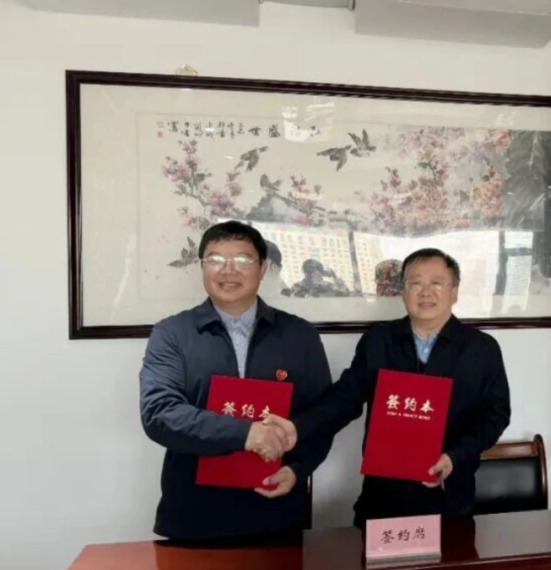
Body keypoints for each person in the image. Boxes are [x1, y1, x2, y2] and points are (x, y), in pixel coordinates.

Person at [139, 221, 333, 540]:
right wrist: (248, 434)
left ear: (263, 268)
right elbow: (159, 413)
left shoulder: (300, 335)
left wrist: (297, 469)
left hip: (278, 508)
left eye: (242, 259)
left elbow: (321, 415)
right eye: (215, 259)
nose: (228, 270)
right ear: (202, 267)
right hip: (194, 513)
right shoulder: (172, 333)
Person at [290, 248, 511, 527]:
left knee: (446, 557)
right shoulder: (379, 340)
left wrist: (456, 456)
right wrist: (297, 428)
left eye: (436, 283)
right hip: (383, 497)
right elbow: (345, 398)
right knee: (374, 555)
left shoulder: (481, 348)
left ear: (454, 291)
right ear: (403, 291)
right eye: (416, 283)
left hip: (450, 497)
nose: (425, 292)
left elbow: (495, 416)